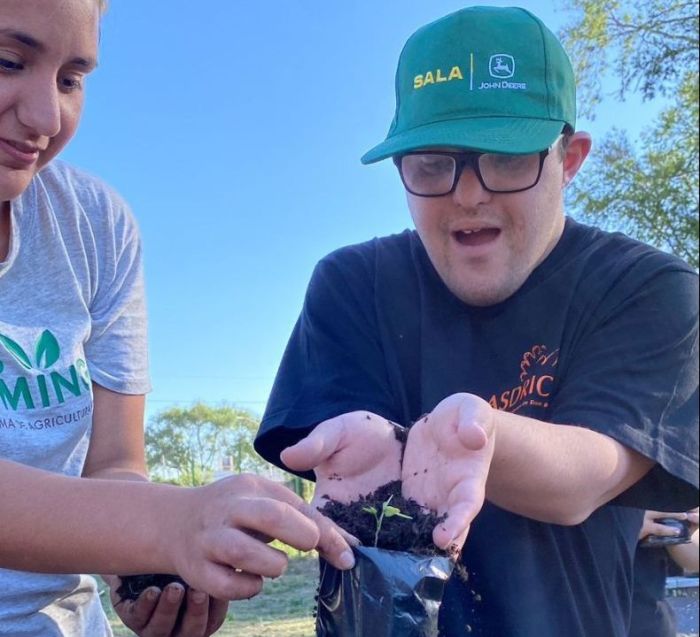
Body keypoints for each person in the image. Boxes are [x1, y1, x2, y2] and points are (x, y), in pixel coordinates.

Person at [254, 5, 699, 637]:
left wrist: (483, 435)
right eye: (432, 163)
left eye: (506, 156)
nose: (468, 193)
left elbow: (590, 474)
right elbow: (350, 492)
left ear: (568, 159)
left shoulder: (648, 287)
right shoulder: (352, 286)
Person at [0, 1, 355, 636]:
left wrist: (141, 568)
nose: (46, 118)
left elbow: (113, 465)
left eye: (71, 78)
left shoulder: (96, 226)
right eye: (7, 61)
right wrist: (164, 524)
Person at [630, 509, 699, 637]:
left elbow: (694, 559)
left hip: (648, 620)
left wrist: (680, 528)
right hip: (590, 617)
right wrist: (629, 523)